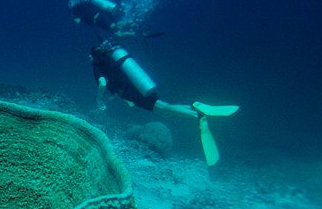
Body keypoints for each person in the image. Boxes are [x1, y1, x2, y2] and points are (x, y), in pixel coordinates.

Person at [89, 39, 239, 166]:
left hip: (134, 93)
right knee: (164, 110)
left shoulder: (97, 67)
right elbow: (117, 80)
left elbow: (102, 83)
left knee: (163, 107)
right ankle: (192, 108)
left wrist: (98, 98)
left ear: (93, 56)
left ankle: (196, 114)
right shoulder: (111, 60)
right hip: (139, 86)